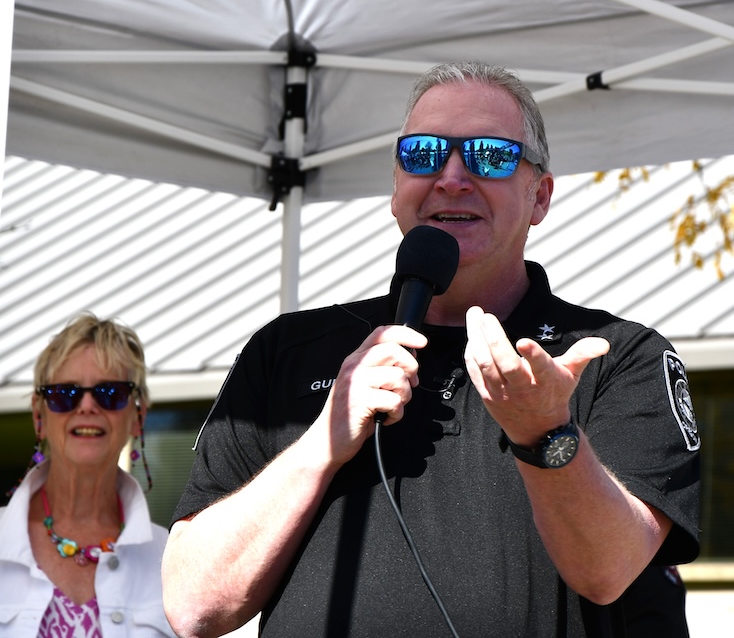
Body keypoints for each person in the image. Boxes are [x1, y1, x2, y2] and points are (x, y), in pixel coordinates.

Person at [161, 62, 701, 638]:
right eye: (422, 153)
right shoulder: (287, 348)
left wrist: (546, 434)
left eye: (488, 155)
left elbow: (611, 571)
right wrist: (321, 443)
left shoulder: (611, 356)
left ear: (539, 196)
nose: (450, 177)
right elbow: (194, 604)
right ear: (396, 186)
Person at [0, 313, 176, 637]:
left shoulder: (171, 559)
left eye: (110, 393)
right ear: (39, 415)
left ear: (137, 416)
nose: (86, 406)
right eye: (65, 394)